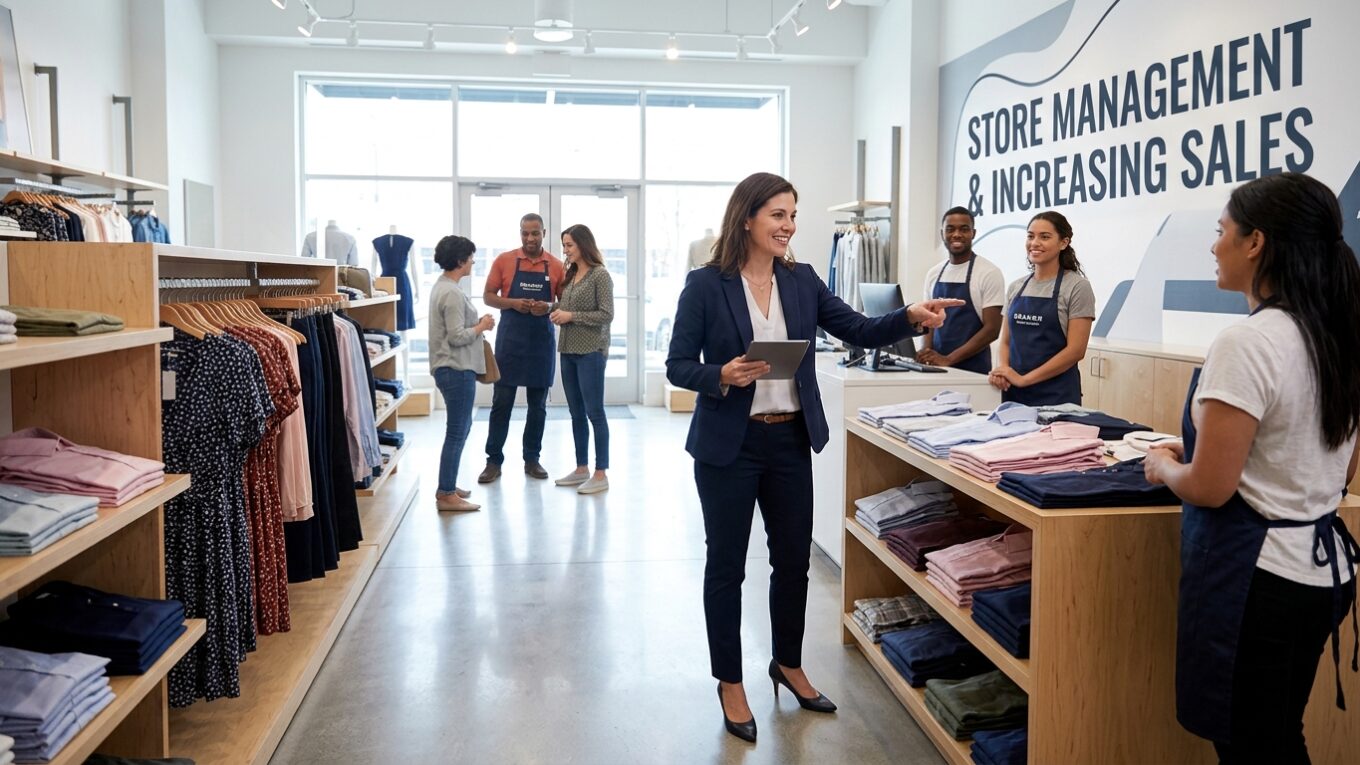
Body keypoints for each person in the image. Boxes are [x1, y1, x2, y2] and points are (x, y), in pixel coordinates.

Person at [666, 172, 961, 743]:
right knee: (726, 567)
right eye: (778, 214)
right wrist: (720, 374)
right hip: (729, 445)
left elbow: (857, 326)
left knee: (793, 564)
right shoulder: (705, 285)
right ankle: (730, 680)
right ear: (747, 217)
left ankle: (788, 663)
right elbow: (678, 364)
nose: (789, 226)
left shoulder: (801, 281)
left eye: (793, 215)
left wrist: (910, 317)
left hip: (787, 441)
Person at [1144, 172, 1360, 763]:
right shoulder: (1336, 337)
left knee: (1253, 748)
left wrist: (1164, 466)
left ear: (1255, 242)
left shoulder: (1249, 343)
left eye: (1221, 232)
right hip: (1320, 576)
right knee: (1278, 736)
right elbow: (1335, 469)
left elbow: (1211, 490)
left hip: (1255, 583)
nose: (1214, 247)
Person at [478, 213, 565, 483]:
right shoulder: (504, 260)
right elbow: (488, 296)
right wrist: (514, 303)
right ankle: (493, 461)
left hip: (541, 341)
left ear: (544, 233)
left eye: (535, 233)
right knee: (501, 402)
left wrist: (548, 307)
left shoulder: (557, 266)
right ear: (520, 233)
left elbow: (565, 303)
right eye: (525, 233)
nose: (530, 238)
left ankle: (532, 459)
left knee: (537, 405)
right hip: (510, 341)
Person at [988, 211, 1095, 405]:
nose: (1034, 243)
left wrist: (1024, 379)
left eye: (1044, 237)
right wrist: (1003, 370)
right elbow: (1005, 342)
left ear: (1064, 243)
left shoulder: (1077, 287)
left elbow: (1076, 350)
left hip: (1057, 398)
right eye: (1030, 236)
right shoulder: (1016, 287)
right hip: (1013, 395)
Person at [429, 235, 494, 512]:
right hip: (455, 368)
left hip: (451, 368)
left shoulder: (444, 287)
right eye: (470, 257)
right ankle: (446, 493)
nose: (473, 262)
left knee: (459, 429)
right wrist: (483, 326)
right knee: (457, 431)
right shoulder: (452, 293)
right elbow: (456, 337)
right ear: (460, 260)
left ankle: (448, 484)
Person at [550, 224, 615, 495]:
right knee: (575, 412)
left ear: (584, 245)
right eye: (564, 245)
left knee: (594, 413)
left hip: (591, 351)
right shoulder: (571, 274)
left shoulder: (601, 275)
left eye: (569, 245)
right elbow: (566, 308)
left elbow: (606, 314)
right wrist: (551, 309)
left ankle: (601, 473)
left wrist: (570, 317)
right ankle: (581, 469)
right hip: (568, 351)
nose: (565, 250)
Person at [917, 206, 1004, 373]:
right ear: (942, 233)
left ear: (973, 233)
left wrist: (948, 359)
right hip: (936, 368)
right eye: (950, 229)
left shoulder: (988, 273)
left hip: (972, 371)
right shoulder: (934, 273)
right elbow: (928, 320)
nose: (957, 234)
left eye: (964, 229)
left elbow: (992, 329)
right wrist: (926, 354)